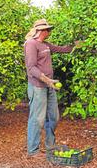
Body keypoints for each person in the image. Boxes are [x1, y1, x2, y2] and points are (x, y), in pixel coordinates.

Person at [24, 19, 75, 156]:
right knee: (37, 118)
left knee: (53, 117)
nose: (49, 32)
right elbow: (31, 68)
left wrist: (77, 46)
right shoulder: (31, 44)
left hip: (49, 86)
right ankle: (33, 150)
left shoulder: (45, 44)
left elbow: (61, 49)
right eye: (48, 30)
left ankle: (50, 146)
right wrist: (46, 80)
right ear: (41, 31)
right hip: (38, 87)